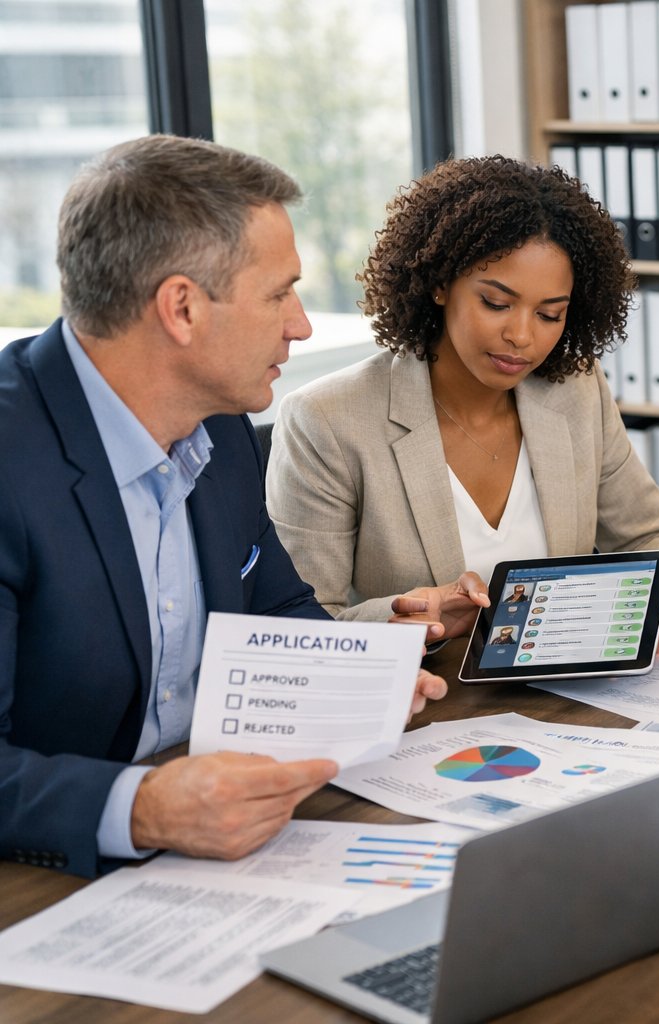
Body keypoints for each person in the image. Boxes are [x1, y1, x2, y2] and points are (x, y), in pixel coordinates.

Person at [0, 135, 449, 878]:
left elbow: (278, 610)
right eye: (280, 293)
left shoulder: (222, 426)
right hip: (48, 877)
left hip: (228, 841)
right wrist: (141, 807)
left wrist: (363, 676)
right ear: (181, 307)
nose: (300, 324)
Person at [266, 156, 659, 646]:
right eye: (496, 303)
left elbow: (656, 539)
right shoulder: (327, 420)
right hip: (429, 706)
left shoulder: (576, 391)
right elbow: (297, 628)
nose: (521, 336)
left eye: (549, 314)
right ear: (439, 283)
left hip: (562, 701)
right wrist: (411, 620)